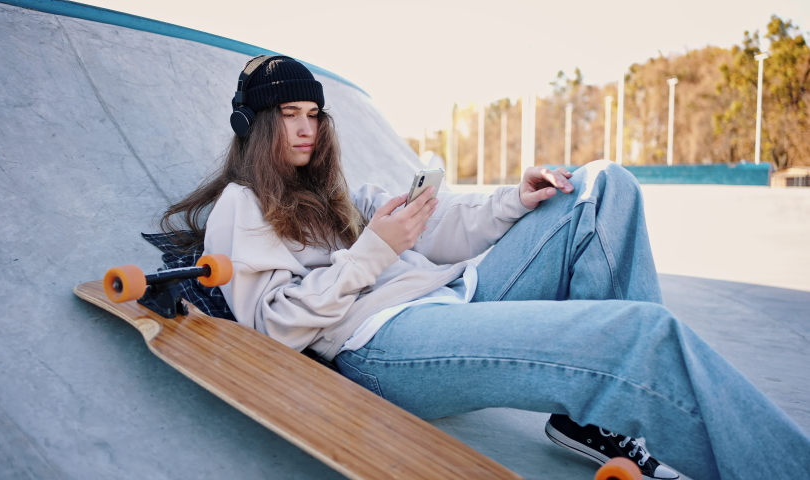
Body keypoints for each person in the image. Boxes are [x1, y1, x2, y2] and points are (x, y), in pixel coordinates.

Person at [159, 56, 810, 480]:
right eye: (286, 116)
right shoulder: (241, 208)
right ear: (253, 124)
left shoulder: (336, 195)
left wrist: (512, 200)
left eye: (311, 116)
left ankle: (592, 423)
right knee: (640, 336)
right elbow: (274, 330)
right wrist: (373, 252)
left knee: (602, 187)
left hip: (450, 297)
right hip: (381, 348)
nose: (304, 130)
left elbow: (441, 231)